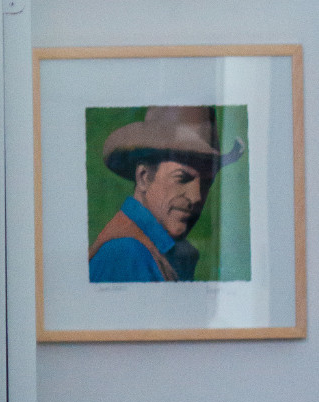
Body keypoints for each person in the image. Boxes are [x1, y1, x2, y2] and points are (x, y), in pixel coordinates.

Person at [89, 106, 243, 282]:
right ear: (144, 177)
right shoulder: (126, 255)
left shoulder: (164, 252)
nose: (197, 197)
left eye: (207, 182)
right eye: (182, 178)